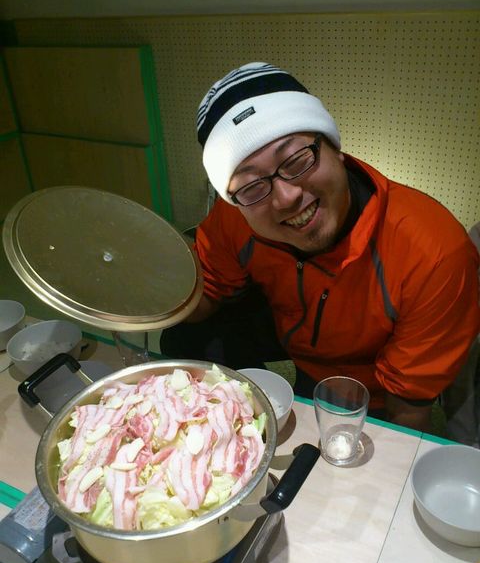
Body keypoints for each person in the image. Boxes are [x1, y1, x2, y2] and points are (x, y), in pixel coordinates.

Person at [161, 62, 480, 433]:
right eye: (251, 185)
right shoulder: (237, 215)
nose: (286, 197)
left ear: (334, 148)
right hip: (291, 331)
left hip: (367, 382)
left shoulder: (434, 254)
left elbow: (409, 404)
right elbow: (205, 297)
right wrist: (148, 278)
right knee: (182, 336)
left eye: (297, 160)